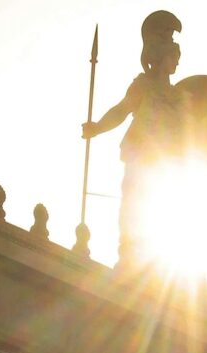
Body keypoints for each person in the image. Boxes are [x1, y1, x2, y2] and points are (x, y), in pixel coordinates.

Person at [82, 11, 190, 262]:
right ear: (160, 56)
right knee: (134, 204)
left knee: (160, 210)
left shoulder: (179, 97)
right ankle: (129, 252)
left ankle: (152, 257)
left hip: (167, 163)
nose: (176, 63)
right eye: (173, 57)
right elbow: (121, 110)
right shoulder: (143, 85)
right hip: (142, 154)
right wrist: (97, 128)